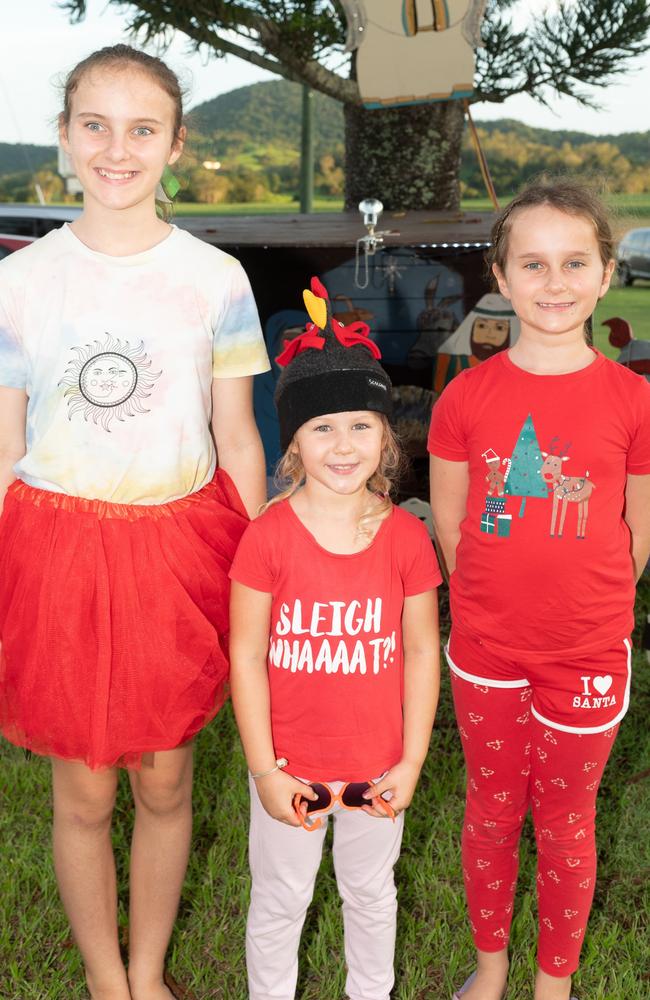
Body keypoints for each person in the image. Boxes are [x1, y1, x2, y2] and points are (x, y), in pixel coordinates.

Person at [0, 45, 269, 1000]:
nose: (119, 148)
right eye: (97, 125)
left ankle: (148, 974)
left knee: (164, 779)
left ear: (176, 145)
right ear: (66, 137)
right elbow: (5, 445)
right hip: (57, 553)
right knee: (84, 791)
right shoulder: (22, 280)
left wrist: (259, 570)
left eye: (142, 128)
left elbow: (237, 440)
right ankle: (105, 982)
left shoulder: (216, 278)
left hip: (178, 548)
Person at [428, 180, 650, 1000]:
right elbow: (451, 528)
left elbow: (637, 533)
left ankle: (551, 986)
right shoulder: (465, 398)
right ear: (500, 273)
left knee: (565, 824)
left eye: (573, 263)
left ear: (604, 274)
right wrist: (492, 603)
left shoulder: (633, 400)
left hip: (588, 652)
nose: (553, 282)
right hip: (486, 649)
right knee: (491, 812)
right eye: (533, 263)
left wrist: (587, 610)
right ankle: (490, 974)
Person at [229, 277, 442, 1000]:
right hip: (292, 766)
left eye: (361, 424)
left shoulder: (408, 537)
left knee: (371, 895)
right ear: (292, 439)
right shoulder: (266, 536)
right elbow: (246, 656)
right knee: (282, 901)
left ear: (386, 434)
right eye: (322, 427)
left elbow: (419, 652)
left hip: (377, 769)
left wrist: (411, 760)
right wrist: (265, 770)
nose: (343, 444)